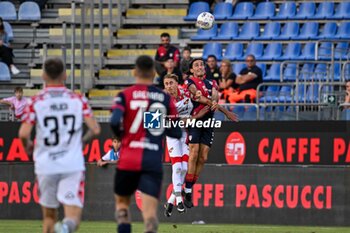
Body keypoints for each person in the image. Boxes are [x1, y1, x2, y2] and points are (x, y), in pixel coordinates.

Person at [18, 57, 101, 233]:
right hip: (72, 164)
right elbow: (95, 129)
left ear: (43, 75)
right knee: (73, 216)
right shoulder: (78, 100)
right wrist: (80, 143)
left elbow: (23, 134)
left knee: (49, 217)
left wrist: (28, 146)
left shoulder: (35, 102)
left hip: (45, 164)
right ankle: (64, 228)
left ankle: (58, 229)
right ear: (64, 74)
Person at [110, 55, 182, 233]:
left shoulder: (124, 96)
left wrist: (123, 136)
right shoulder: (163, 98)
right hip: (151, 160)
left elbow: (114, 121)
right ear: (154, 73)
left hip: (127, 159)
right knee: (150, 215)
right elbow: (176, 131)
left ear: (135, 72)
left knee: (122, 205)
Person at [183, 58, 238, 208]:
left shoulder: (212, 83)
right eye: (197, 65)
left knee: (203, 157)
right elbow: (197, 97)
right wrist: (224, 111)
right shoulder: (189, 82)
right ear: (192, 70)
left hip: (208, 122)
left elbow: (214, 97)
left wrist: (213, 103)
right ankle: (187, 191)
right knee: (194, 153)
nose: (200, 67)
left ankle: (188, 186)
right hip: (195, 119)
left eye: (202, 64)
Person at [162, 74, 209, 217]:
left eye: (171, 83)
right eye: (166, 83)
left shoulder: (186, 92)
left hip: (187, 134)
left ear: (177, 84)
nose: (168, 86)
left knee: (184, 168)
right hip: (172, 135)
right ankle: (179, 200)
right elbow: (152, 121)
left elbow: (200, 101)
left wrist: (200, 95)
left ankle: (171, 201)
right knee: (177, 167)